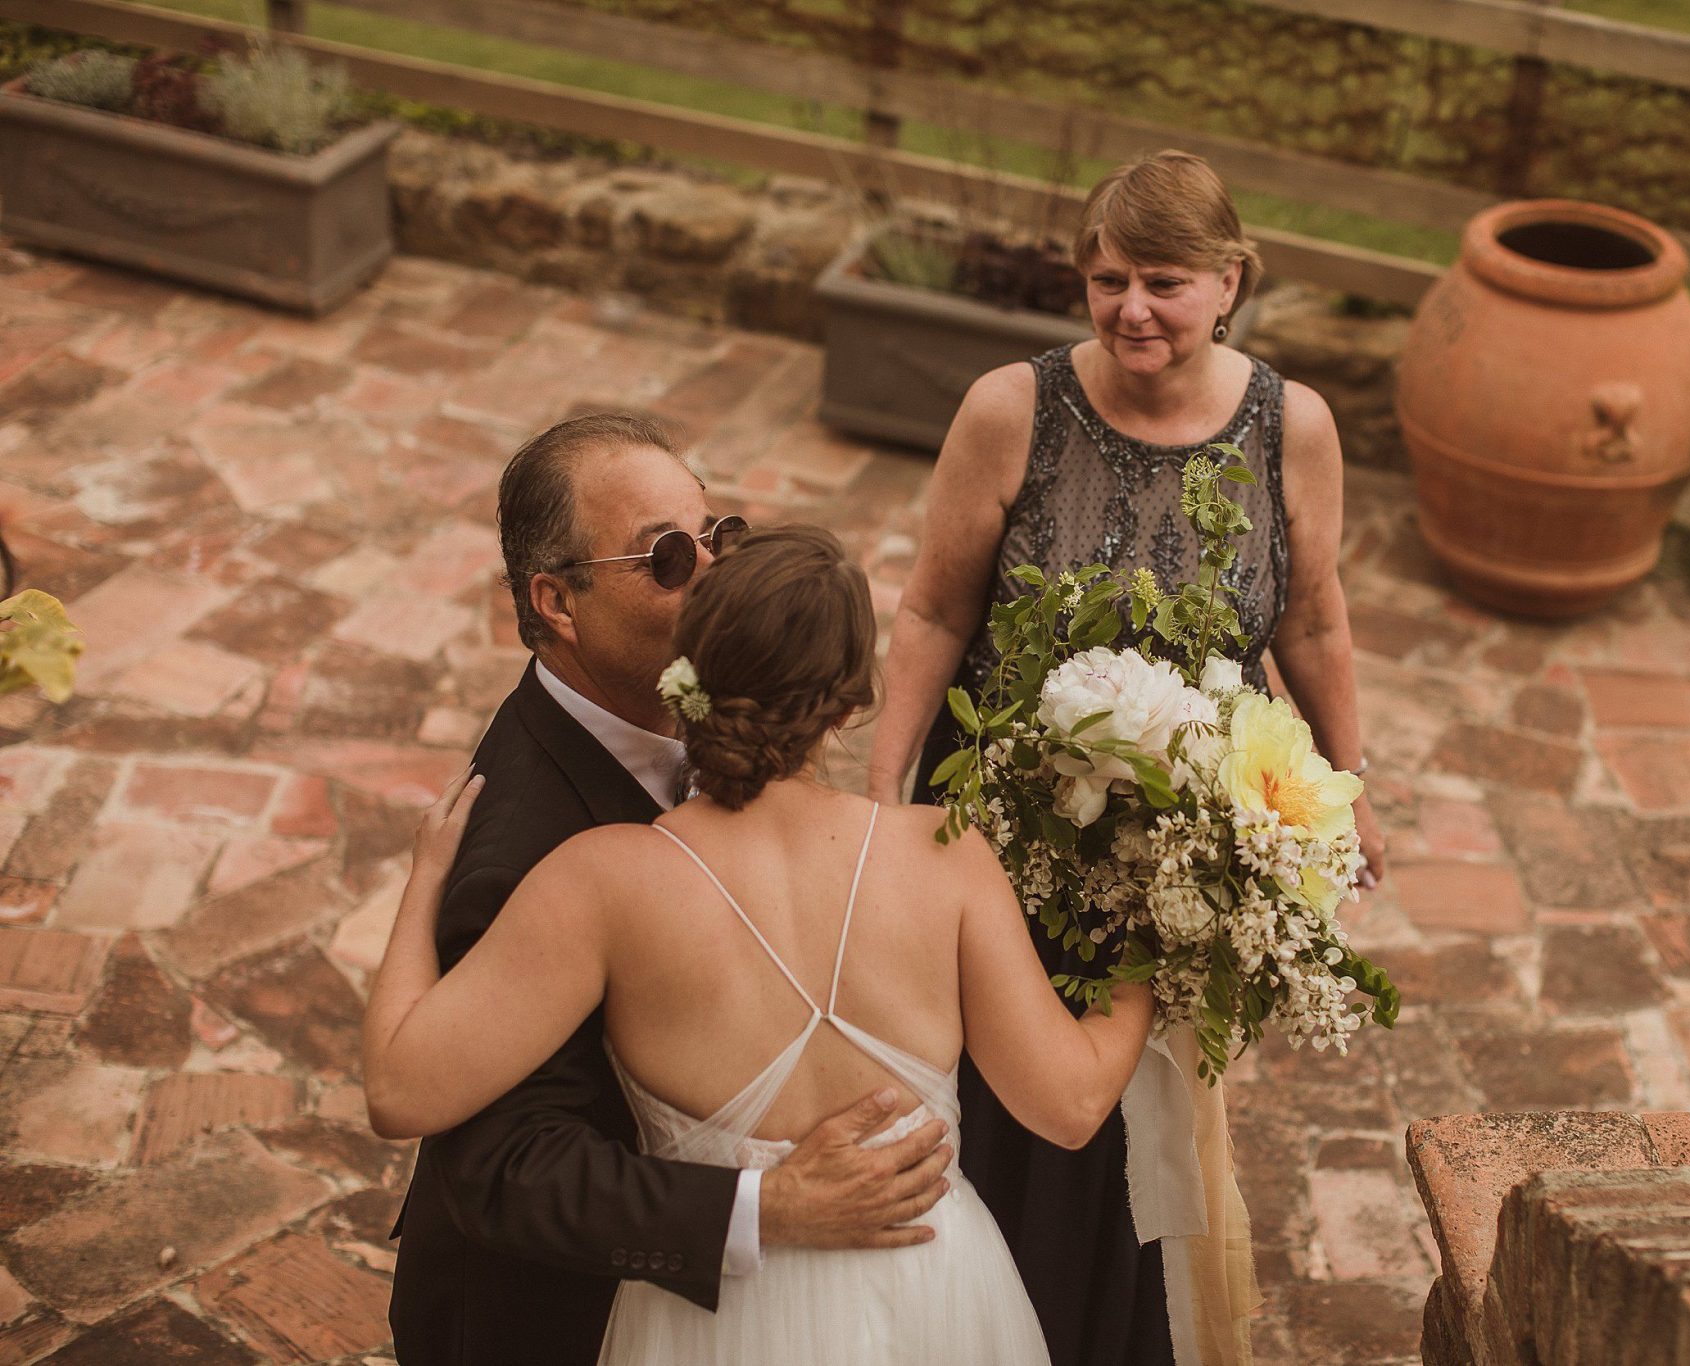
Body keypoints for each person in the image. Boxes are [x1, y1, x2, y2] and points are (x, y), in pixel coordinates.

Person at [365, 524, 1156, 1365]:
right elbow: (1069, 1106)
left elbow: (399, 1090)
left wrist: (425, 882)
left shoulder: (600, 881)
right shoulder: (942, 856)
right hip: (932, 1290)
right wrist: (1149, 959)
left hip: (712, 1324)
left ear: (686, 672)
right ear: (852, 703)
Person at [864, 149, 1389, 1366]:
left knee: (1135, 1115)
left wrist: (1348, 787)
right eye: (1106, 280)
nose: (1131, 308)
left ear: (1228, 282)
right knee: (1002, 1102)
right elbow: (936, 610)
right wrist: (885, 788)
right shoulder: (1013, 409)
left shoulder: (1290, 429)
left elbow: (1310, 620)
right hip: (1004, 818)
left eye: (1163, 280)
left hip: (1181, 837)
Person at [384, 415, 955, 1366]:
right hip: (555, 1325)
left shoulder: (705, 713)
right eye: (667, 558)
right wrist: (766, 1205)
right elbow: (503, 1168)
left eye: (715, 537)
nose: (716, 576)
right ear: (556, 603)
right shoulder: (517, 846)